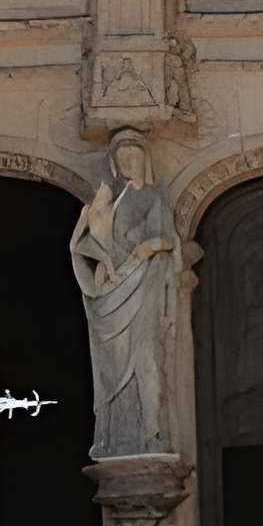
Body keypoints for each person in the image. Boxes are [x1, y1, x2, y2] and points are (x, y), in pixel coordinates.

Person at [69, 130, 180, 458]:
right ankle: (112, 437)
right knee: (111, 364)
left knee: (146, 356)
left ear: (145, 160)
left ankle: (153, 431)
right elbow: (91, 241)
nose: (128, 163)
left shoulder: (153, 198)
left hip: (142, 285)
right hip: (111, 288)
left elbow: (167, 240)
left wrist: (146, 247)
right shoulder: (109, 198)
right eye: (122, 159)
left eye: (134, 157)